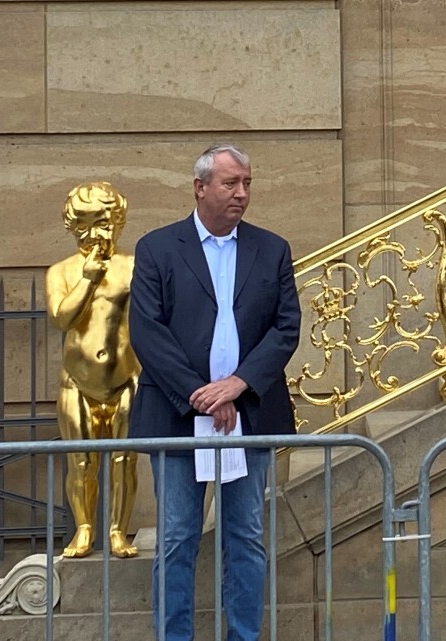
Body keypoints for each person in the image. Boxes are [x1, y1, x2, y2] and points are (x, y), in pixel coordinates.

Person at [129, 144, 301, 641]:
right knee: (177, 538)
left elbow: (285, 328)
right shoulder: (158, 248)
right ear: (200, 187)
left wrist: (237, 385)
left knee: (246, 537)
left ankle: (243, 635)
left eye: (247, 183)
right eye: (231, 184)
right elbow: (148, 332)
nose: (242, 193)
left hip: (249, 414)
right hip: (178, 418)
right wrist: (201, 394)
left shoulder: (272, 249)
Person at [46, 182, 140, 559]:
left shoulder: (134, 267)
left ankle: (119, 531)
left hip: (125, 379)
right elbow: (62, 318)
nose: (93, 235)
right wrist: (87, 277)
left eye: (101, 224)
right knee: (81, 462)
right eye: (82, 226)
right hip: (77, 382)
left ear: (117, 222)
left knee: (124, 459)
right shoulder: (62, 271)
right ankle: (85, 528)